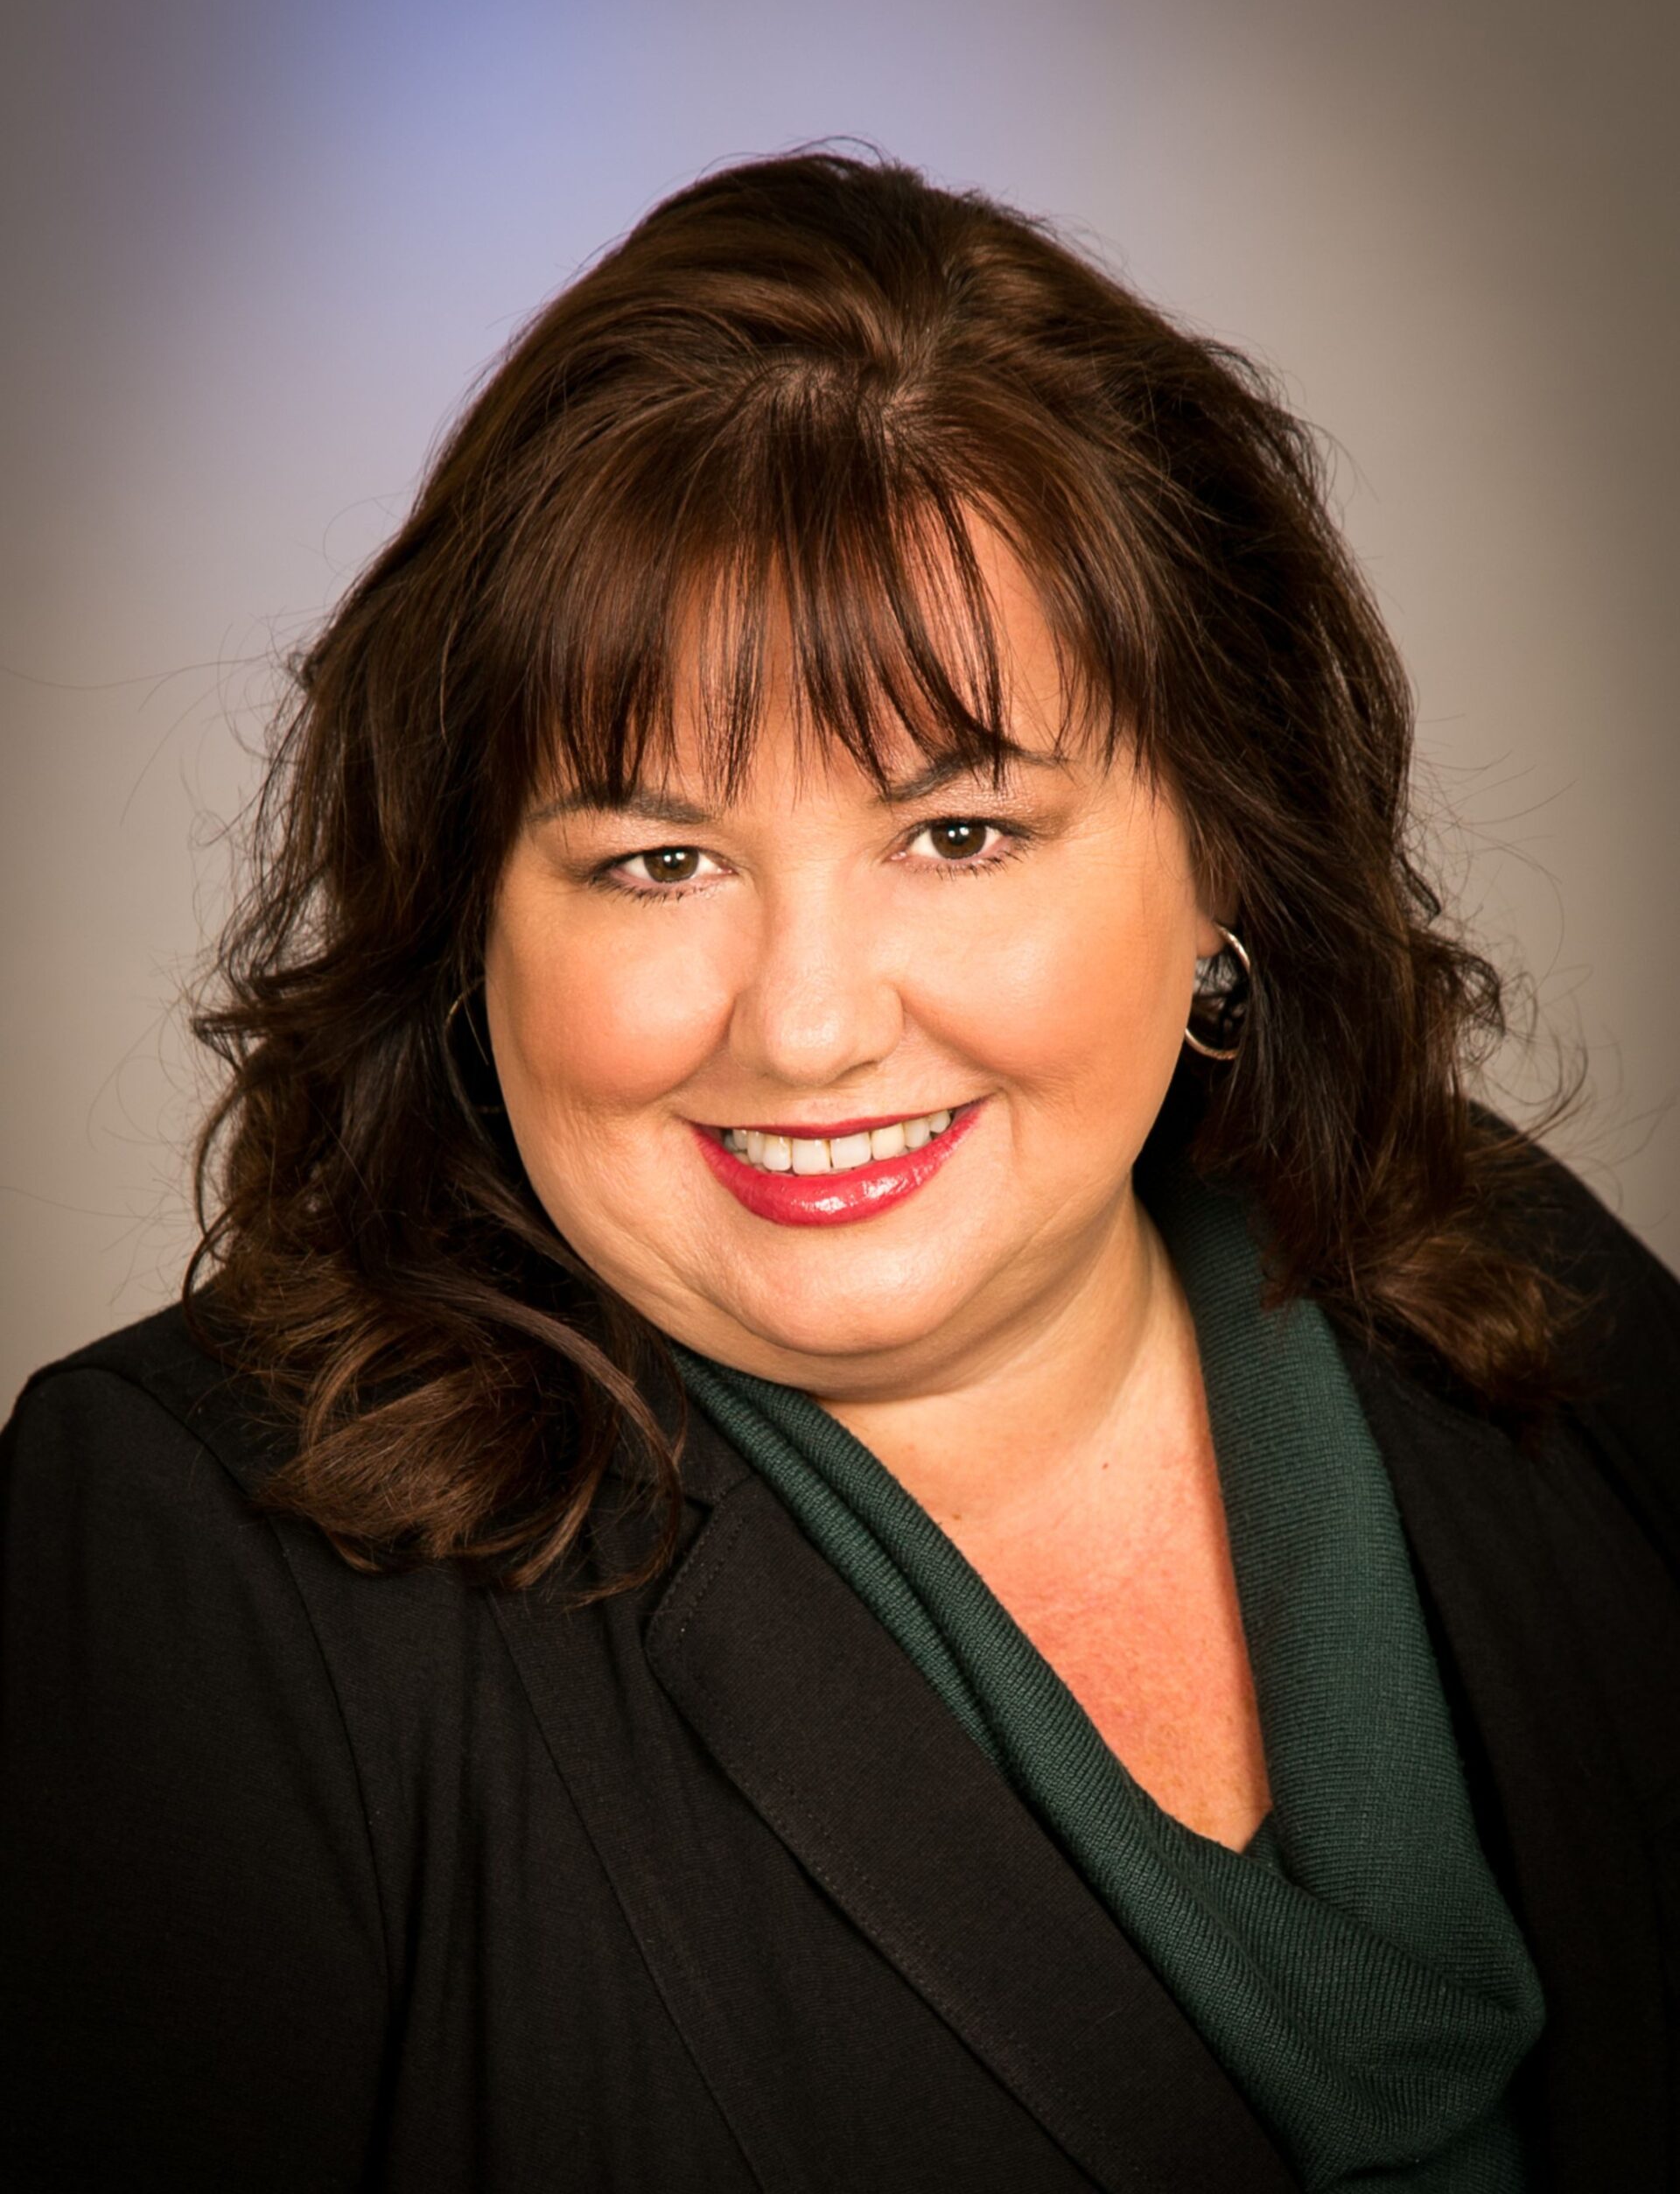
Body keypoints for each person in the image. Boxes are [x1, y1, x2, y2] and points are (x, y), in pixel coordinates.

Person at [3, 149, 1676, 2194]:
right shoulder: (193, 1561)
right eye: (656, 858)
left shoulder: (1515, 1290)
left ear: (1227, 848)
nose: (803, 1021)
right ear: (470, 924)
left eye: (959, 832)